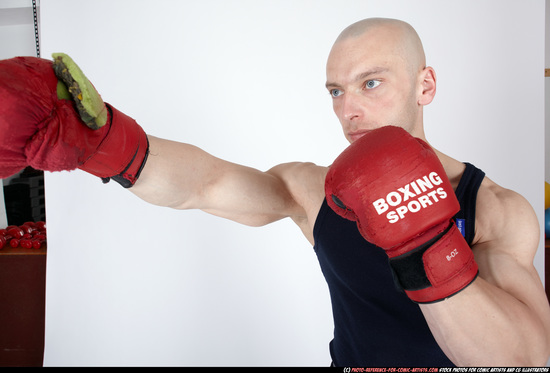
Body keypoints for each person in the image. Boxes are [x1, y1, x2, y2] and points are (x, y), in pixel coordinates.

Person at [1, 17, 549, 367]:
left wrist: (423, 236)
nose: (348, 108)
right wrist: (105, 144)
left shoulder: (497, 210)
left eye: (371, 83)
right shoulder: (315, 191)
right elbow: (206, 184)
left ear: (424, 85)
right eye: (335, 90)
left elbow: (526, 358)